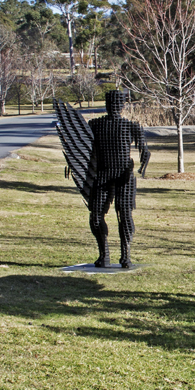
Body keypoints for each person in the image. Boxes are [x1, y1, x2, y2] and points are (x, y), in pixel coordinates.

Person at [56, 90, 150, 268]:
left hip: (122, 175)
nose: (114, 107)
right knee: (97, 215)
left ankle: (124, 256)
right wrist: (73, 163)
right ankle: (106, 255)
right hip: (104, 174)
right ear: (110, 105)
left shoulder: (129, 126)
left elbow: (145, 152)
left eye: (116, 104)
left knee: (123, 215)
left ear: (120, 106)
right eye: (112, 104)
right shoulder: (97, 125)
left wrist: (142, 165)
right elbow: (82, 149)